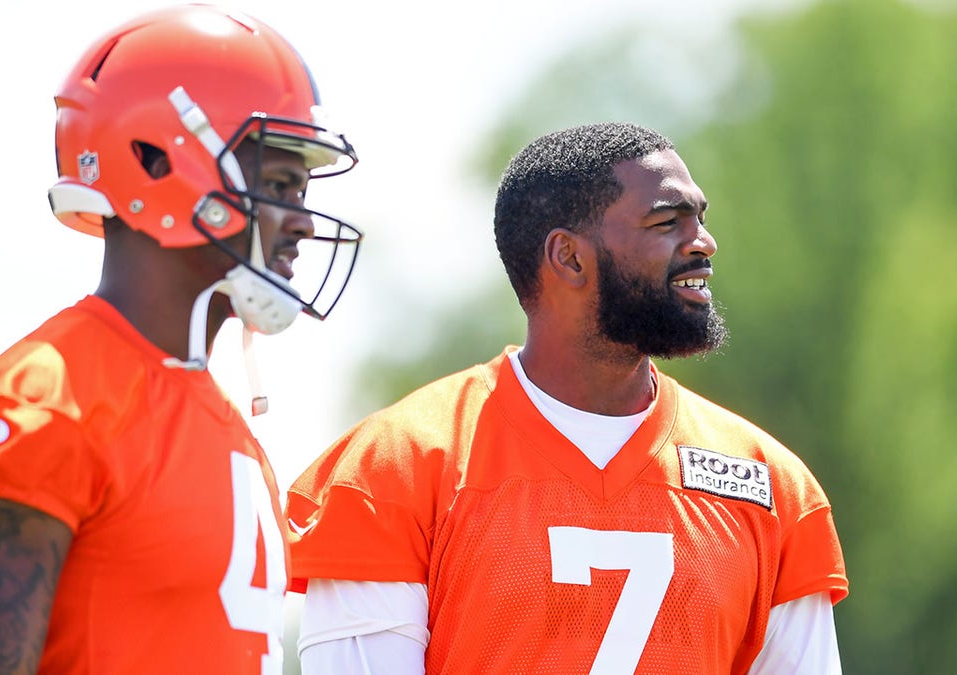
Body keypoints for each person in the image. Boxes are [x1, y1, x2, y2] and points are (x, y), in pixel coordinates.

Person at [0, 5, 362, 674]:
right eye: (281, 183)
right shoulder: (44, 409)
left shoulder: (222, 418)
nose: (303, 223)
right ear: (159, 160)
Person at [285, 122, 848, 674]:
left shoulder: (772, 485)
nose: (703, 242)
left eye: (699, 218)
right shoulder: (394, 468)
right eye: (666, 221)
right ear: (569, 258)